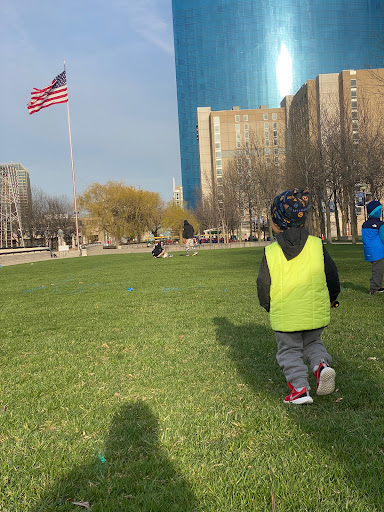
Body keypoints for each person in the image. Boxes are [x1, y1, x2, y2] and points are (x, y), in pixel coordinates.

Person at [257, 189, 340, 405]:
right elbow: (331, 274)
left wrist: (267, 305)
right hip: (313, 312)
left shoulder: (271, 252)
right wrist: (333, 297)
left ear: (276, 223)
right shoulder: (316, 245)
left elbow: (263, 284)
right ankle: (321, 366)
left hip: (286, 317)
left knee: (289, 351)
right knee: (313, 342)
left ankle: (300, 389)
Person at [361, 200, 384, 295]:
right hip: (378, 251)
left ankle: (378, 286)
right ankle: (373, 289)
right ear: (377, 211)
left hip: (369, 251)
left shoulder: (365, 224)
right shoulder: (380, 225)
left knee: (377, 268)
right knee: (378, 269)